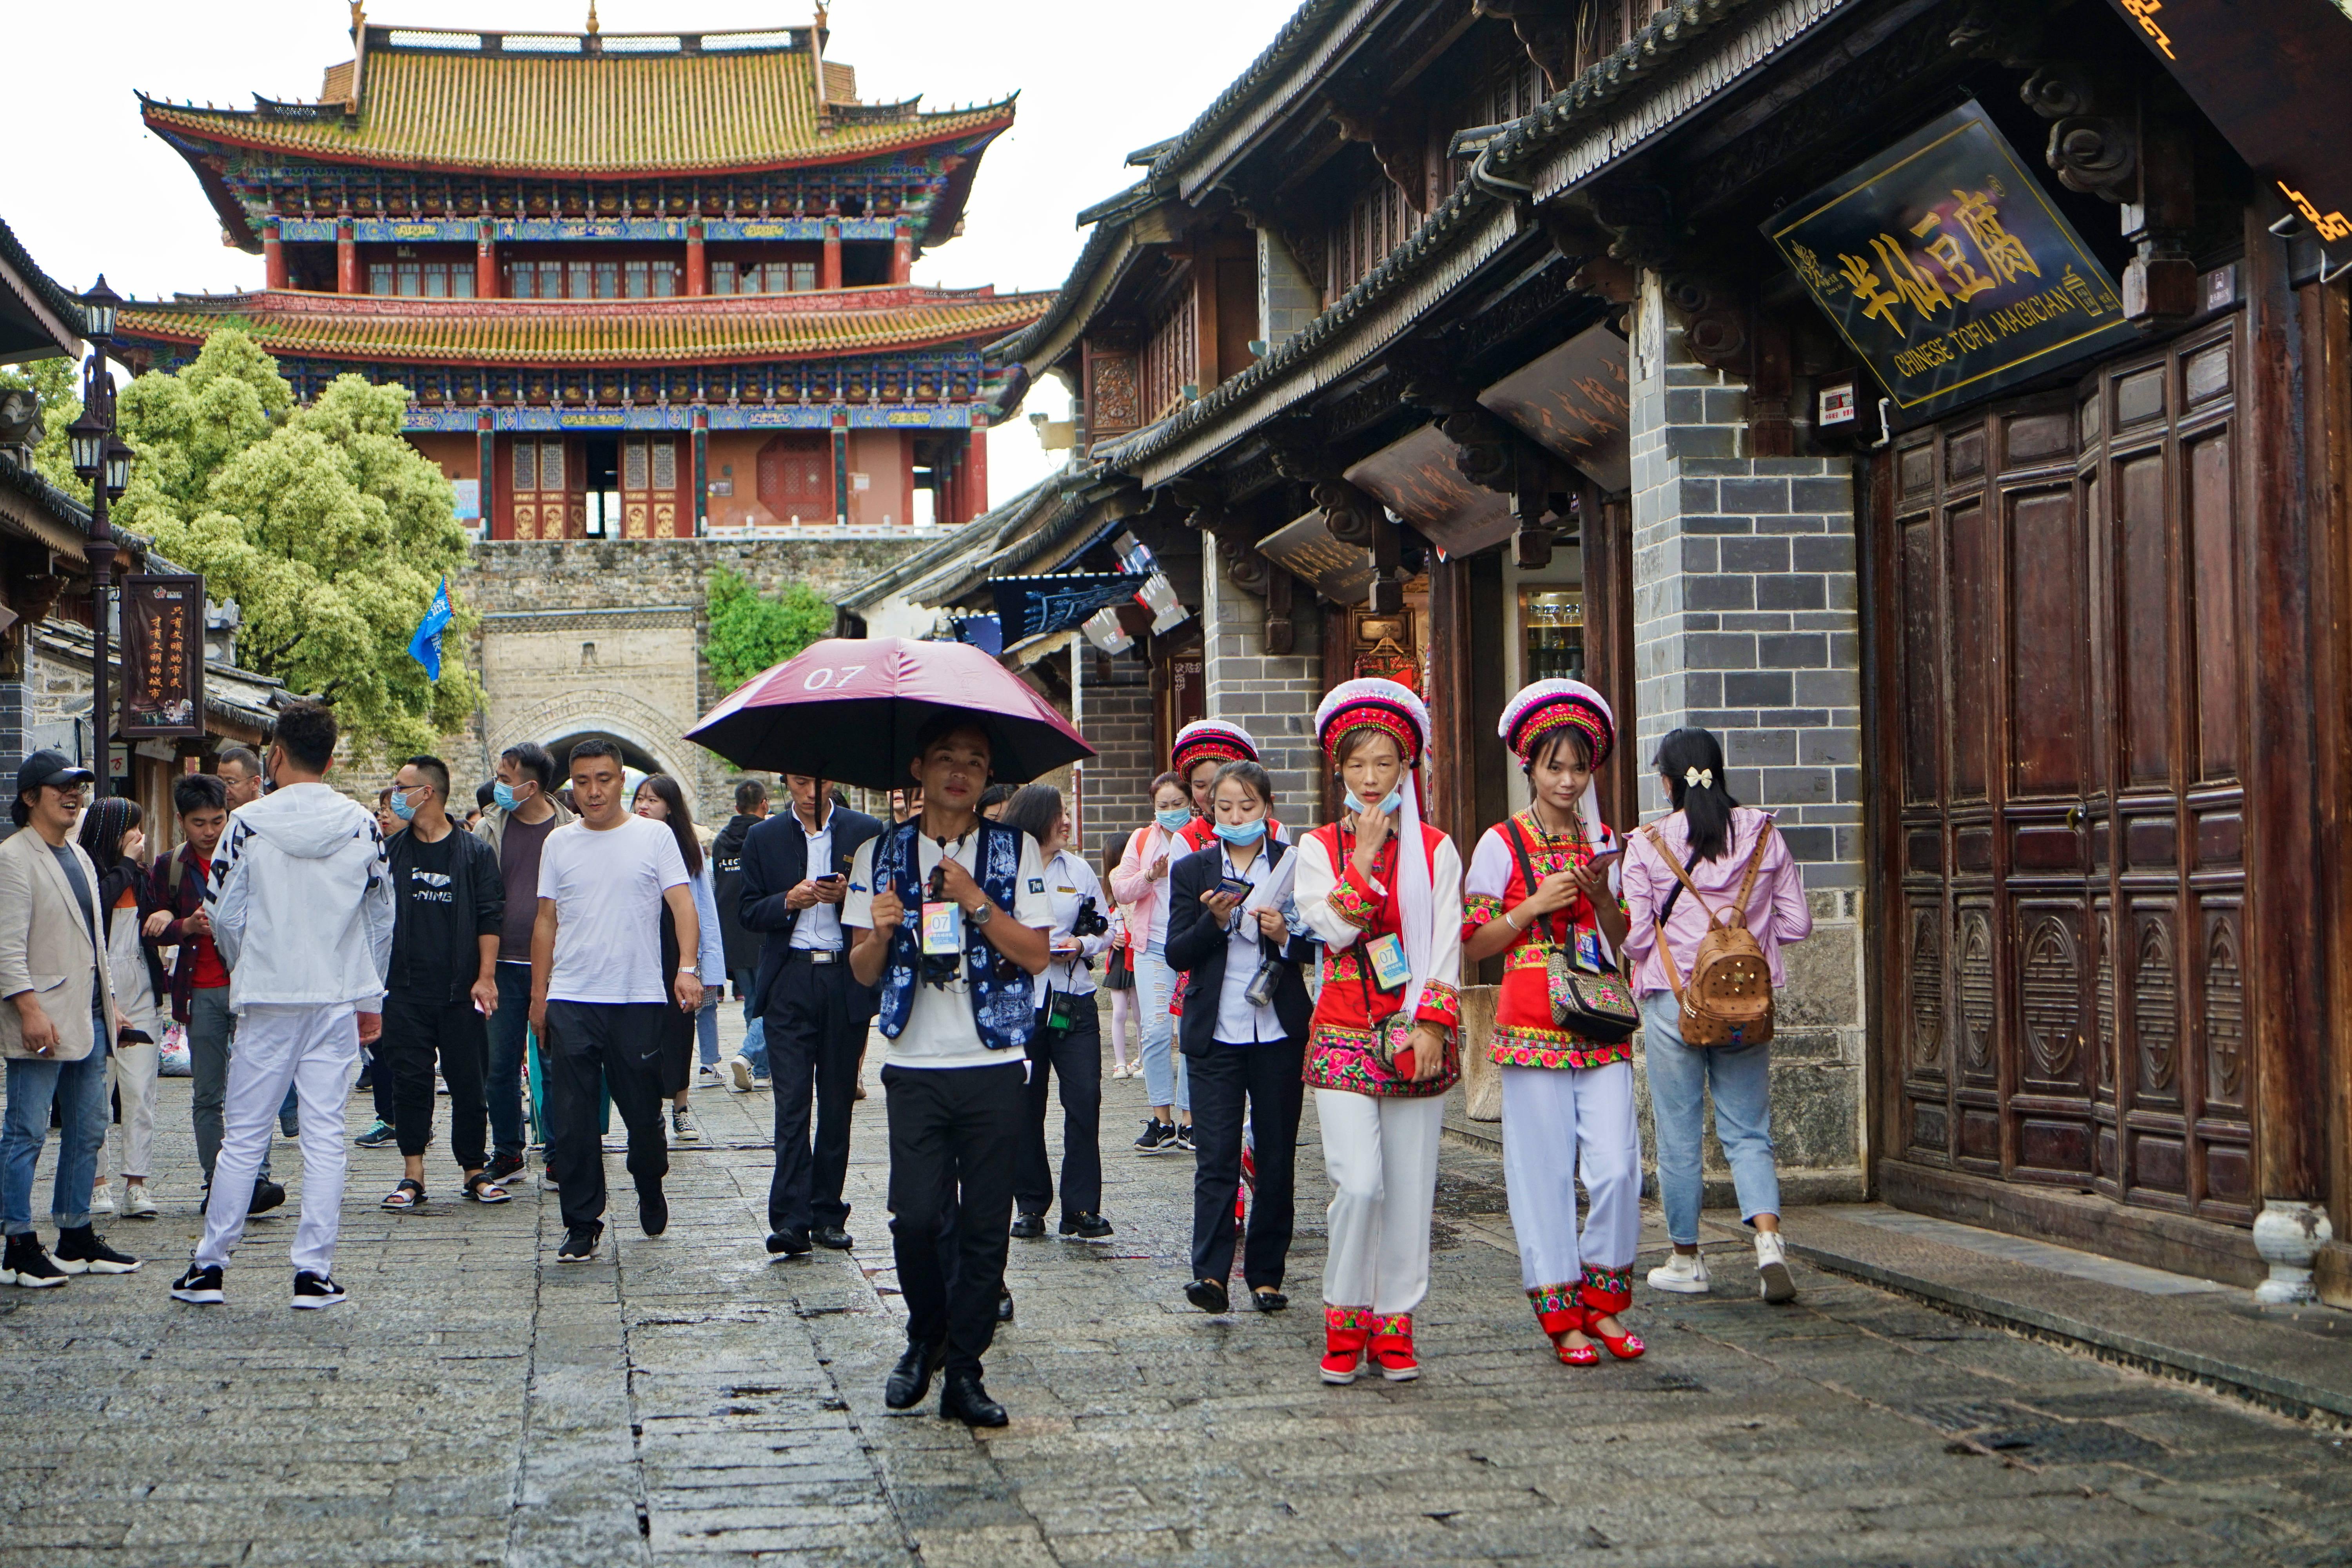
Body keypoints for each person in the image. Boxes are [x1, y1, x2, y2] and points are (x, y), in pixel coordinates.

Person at [848, 719, 1053, 1428]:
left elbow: (1033, 954)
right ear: (919, 768)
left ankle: (965, 1368)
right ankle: (923, 1335)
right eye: (945, 759)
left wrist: (972, 897)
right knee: (918, 1217)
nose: (960, 771)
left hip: (994, 1060)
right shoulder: (879, 853)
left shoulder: (1014, 848)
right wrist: (877, 933)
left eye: (975, 760)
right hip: (913, 1061)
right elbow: (861, 971)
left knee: (985, 1226)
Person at [171, 701, 395, 1309]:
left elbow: (225, 912)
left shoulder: (247, 825)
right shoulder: (362, 824)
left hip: (270, 996)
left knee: (243, 1134)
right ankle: (313, 1273)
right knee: (325, 1134)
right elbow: (381, 916)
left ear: (274, 755)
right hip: (335, 995)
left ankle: (211, 1266)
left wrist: (251, 966)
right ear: (330, 754)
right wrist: (371, 993)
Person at [1462, 681, 1644, 1365]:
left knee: (1618, 1167)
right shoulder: (1502, 843)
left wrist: (1602, 898)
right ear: (1529, 768)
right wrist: (1533, 905)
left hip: (1598, 1021)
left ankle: (1606, 1301)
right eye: (1554, 767)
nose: (1567, 781)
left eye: (1578, 768)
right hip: (1532, 1020)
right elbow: (1475, 944)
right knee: (1540, 1172)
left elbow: (1627, 939)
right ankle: (1562, 1312)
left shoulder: (1606, 843)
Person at [1295, 679, 1464, 1385]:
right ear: (1338, 768)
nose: (1371, 779)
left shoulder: (1437, 849)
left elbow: (1445, 946)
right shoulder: (1316, 847)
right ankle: (1345, 1313)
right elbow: (1331, 929)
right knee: (1359, 1184)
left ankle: (1395, 1321)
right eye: (1358, 764)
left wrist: (1431, 1024)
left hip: (1415, 1033)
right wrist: (1361, 858)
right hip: (1341, 1030)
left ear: (1407, 770)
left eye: (1386, 764)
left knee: (1411, 1185)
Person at [1621, 727, 1813, 1305]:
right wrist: (1748, 944)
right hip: (1745, 1005)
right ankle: (1769, 1244)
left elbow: (1634, 939)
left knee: (1679, 1137)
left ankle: (1686, 1259)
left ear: (1666, 782)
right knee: (1749, 1130)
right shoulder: (1763, 835)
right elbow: (1799, 924)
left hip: (1672, 1003)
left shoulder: (1648, 844)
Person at [528, 739, 703, 1263]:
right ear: (572, 787)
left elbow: (682, 905)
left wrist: (687, 969)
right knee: (575, 1118)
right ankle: (583, 1222)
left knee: (643, 1116)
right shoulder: (558, 844)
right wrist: (540, 996)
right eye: (582, 782)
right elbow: (545, 920)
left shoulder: (653, 837)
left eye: (603, 779)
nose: (593, 791)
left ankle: (650, 1180)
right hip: (573, 998)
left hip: (637, 999)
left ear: (621, 780)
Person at [1165, 759, 1315, 1315]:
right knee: (1217, 1158)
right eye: (1224, 807)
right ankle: (1210, 1275)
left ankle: (1267, 1275)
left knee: (1276, 1157)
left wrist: (1286, 935)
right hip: (1216, 1031)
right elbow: (1176, 951)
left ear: (1268, 810)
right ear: (1210, 811)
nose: (1236, 815)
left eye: (1247, 807)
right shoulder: (1194, 869)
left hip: (1278, 1030)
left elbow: (1320, 940)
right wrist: (1216, 923)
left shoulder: (1295, 865)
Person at [0, 750, 140, 1286]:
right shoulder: (14, 858)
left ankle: (76, 1234)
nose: (74, 795)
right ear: (31, 796)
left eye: (79, 787)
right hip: (42, 1018)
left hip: (89, 1015)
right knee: (27, 1130)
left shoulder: (79, 856)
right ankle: (17, 1243)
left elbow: (94, 945)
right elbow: (7, 948)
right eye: (61, 787)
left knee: (89, 1129)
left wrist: (112, 1006)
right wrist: (29, 1009)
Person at [741, 773, 883, 1254]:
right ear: (786, 783)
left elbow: (885, 901)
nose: (809, 792)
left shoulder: (865, 831)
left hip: (845, 975)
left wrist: (850, 896)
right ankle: (789, 1219)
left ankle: (828, 1212)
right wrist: (790, 900)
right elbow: (746, 911)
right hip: (791, 978)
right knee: (792, 1102)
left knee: (838, 1099)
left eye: (817, 783)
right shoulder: (764, 836)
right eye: (800, 783)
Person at [144, 772, 283, 1216]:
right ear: (182, 821)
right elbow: (148, 928)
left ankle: (256, 1180)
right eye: (199, 823)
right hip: (199, 991)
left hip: (249, 987)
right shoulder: (170, 866)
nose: (210, 831)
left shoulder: (251, 857)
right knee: (208, 1093)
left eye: (218, 820)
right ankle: (215, 1182)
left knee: (253, 1089)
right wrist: (183, 925)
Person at [377, 755, 510, 1212]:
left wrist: (486, 977)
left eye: (401, 786)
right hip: (405, 991)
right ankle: (413, 1174)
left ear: (426, 793)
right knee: (409, 1082)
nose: (395, 794)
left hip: (461, 991)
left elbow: (491, 916)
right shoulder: (391, 853)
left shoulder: (473, 852)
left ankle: (475, 1169)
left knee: (471, 1083)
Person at [1002, 784, 1115, 1243]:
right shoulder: (1006, 869)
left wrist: (1082, 944)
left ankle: (1082, 1207)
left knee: (1084, 1099)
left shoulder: (1079, 869)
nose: (1067, 822)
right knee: (1025, 1104)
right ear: (1034, 820)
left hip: (1074, 999)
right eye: (1059, 814)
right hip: (1020, 1001)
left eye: (1068, 813)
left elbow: (1106, 927)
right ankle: (1030, 1204)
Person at [476, 741, 574, 1183]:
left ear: (531, 786)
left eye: (505, 778)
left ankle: (558, 1150)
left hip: (557, 967)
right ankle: (508, 1150)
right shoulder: (489, 830)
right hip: (500, 966)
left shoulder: (571, 829)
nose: (497, 785)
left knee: (554, 1062)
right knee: (499, 1065)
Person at [81, 799, 166, 1221]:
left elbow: (158, 918)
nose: (139, 837)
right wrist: (129, 865)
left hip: (141, 988)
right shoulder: (92, 873)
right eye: (131, 829)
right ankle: (97, 1183)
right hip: (97, 992)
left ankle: (138, 1182)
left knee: (140, 1093)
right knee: (96, 1093)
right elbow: (99, 900)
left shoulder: (144, 876)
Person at [632, 775, 724, 1145]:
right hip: (640, 945)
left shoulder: (688, 849)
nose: (644, 805)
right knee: (642, 1029)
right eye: (640, 798)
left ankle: (681, 1108)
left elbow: (704, 908)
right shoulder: (626, 841)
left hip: (677, 946)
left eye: (653, 800)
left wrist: (707, 966)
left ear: (670, 806)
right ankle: (649, 1107)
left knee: (680, 1028)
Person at [1109, 772, 1194, 1153]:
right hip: (1153, 947)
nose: (1171, 812)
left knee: (1192, 1034)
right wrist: (1150, 874)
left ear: (1191, 802)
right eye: (1164, 806)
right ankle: (1162, 1120)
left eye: (1178, 804)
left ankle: (1191, 1120)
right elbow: (1120, 887)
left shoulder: (1202, 837)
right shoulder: (1143, 839)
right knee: (1156, 1031)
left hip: (1195, 946)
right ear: (1153, 807)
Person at [710, 779, 769, 1090]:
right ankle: (751, 1059)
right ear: (764, 804)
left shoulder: (721, 841)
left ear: (736, 808)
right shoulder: (764, 837)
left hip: (731, 930)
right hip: (760, 929)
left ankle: (760, 1070)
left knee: (752, 1002)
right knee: (770, 1001)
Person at [1101, 878, 1136, 1080]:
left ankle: (1142, 1059)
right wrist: (1111, 938)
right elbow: (1103, 932)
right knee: (1120, 1012)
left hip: (1135, 958)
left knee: (1140, 1015)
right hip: (1117, 961)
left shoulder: (1136, 905)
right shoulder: (1111, 908)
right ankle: (1120, 1062)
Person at [216, 744, 265, 811]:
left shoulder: (271, 814)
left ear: (255, 783)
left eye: (231, 783)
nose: (225, 790)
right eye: (220, 782)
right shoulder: (216, 814)